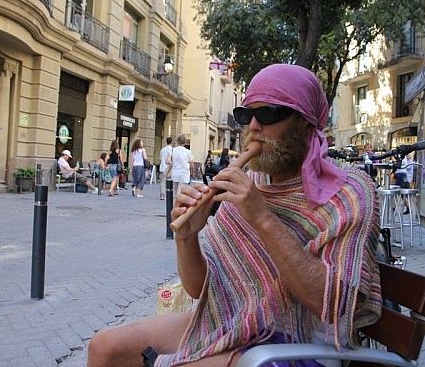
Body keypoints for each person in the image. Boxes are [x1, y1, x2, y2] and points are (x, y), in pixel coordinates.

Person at [87, 64, 381, 367]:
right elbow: (200, 288)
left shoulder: (348, 193)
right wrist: (186, 238)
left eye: (268, 113)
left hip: (300, 348)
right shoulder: (253, 183)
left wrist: (262, 218)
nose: (253, 126)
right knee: (103, 347)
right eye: (246, 115)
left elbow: (332, 304)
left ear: (305, 124)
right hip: (233, 321)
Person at [166, 134, 194, 198]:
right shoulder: (188, 152)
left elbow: (168, 161)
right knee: (181, 193)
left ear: (177, 141)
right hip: (184, 174)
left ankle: (174, 205)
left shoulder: (173, 150)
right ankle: (178, 206)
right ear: (185, 142)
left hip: (175, 174)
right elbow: (192, 165)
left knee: (175, 193)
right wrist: (192, 173)